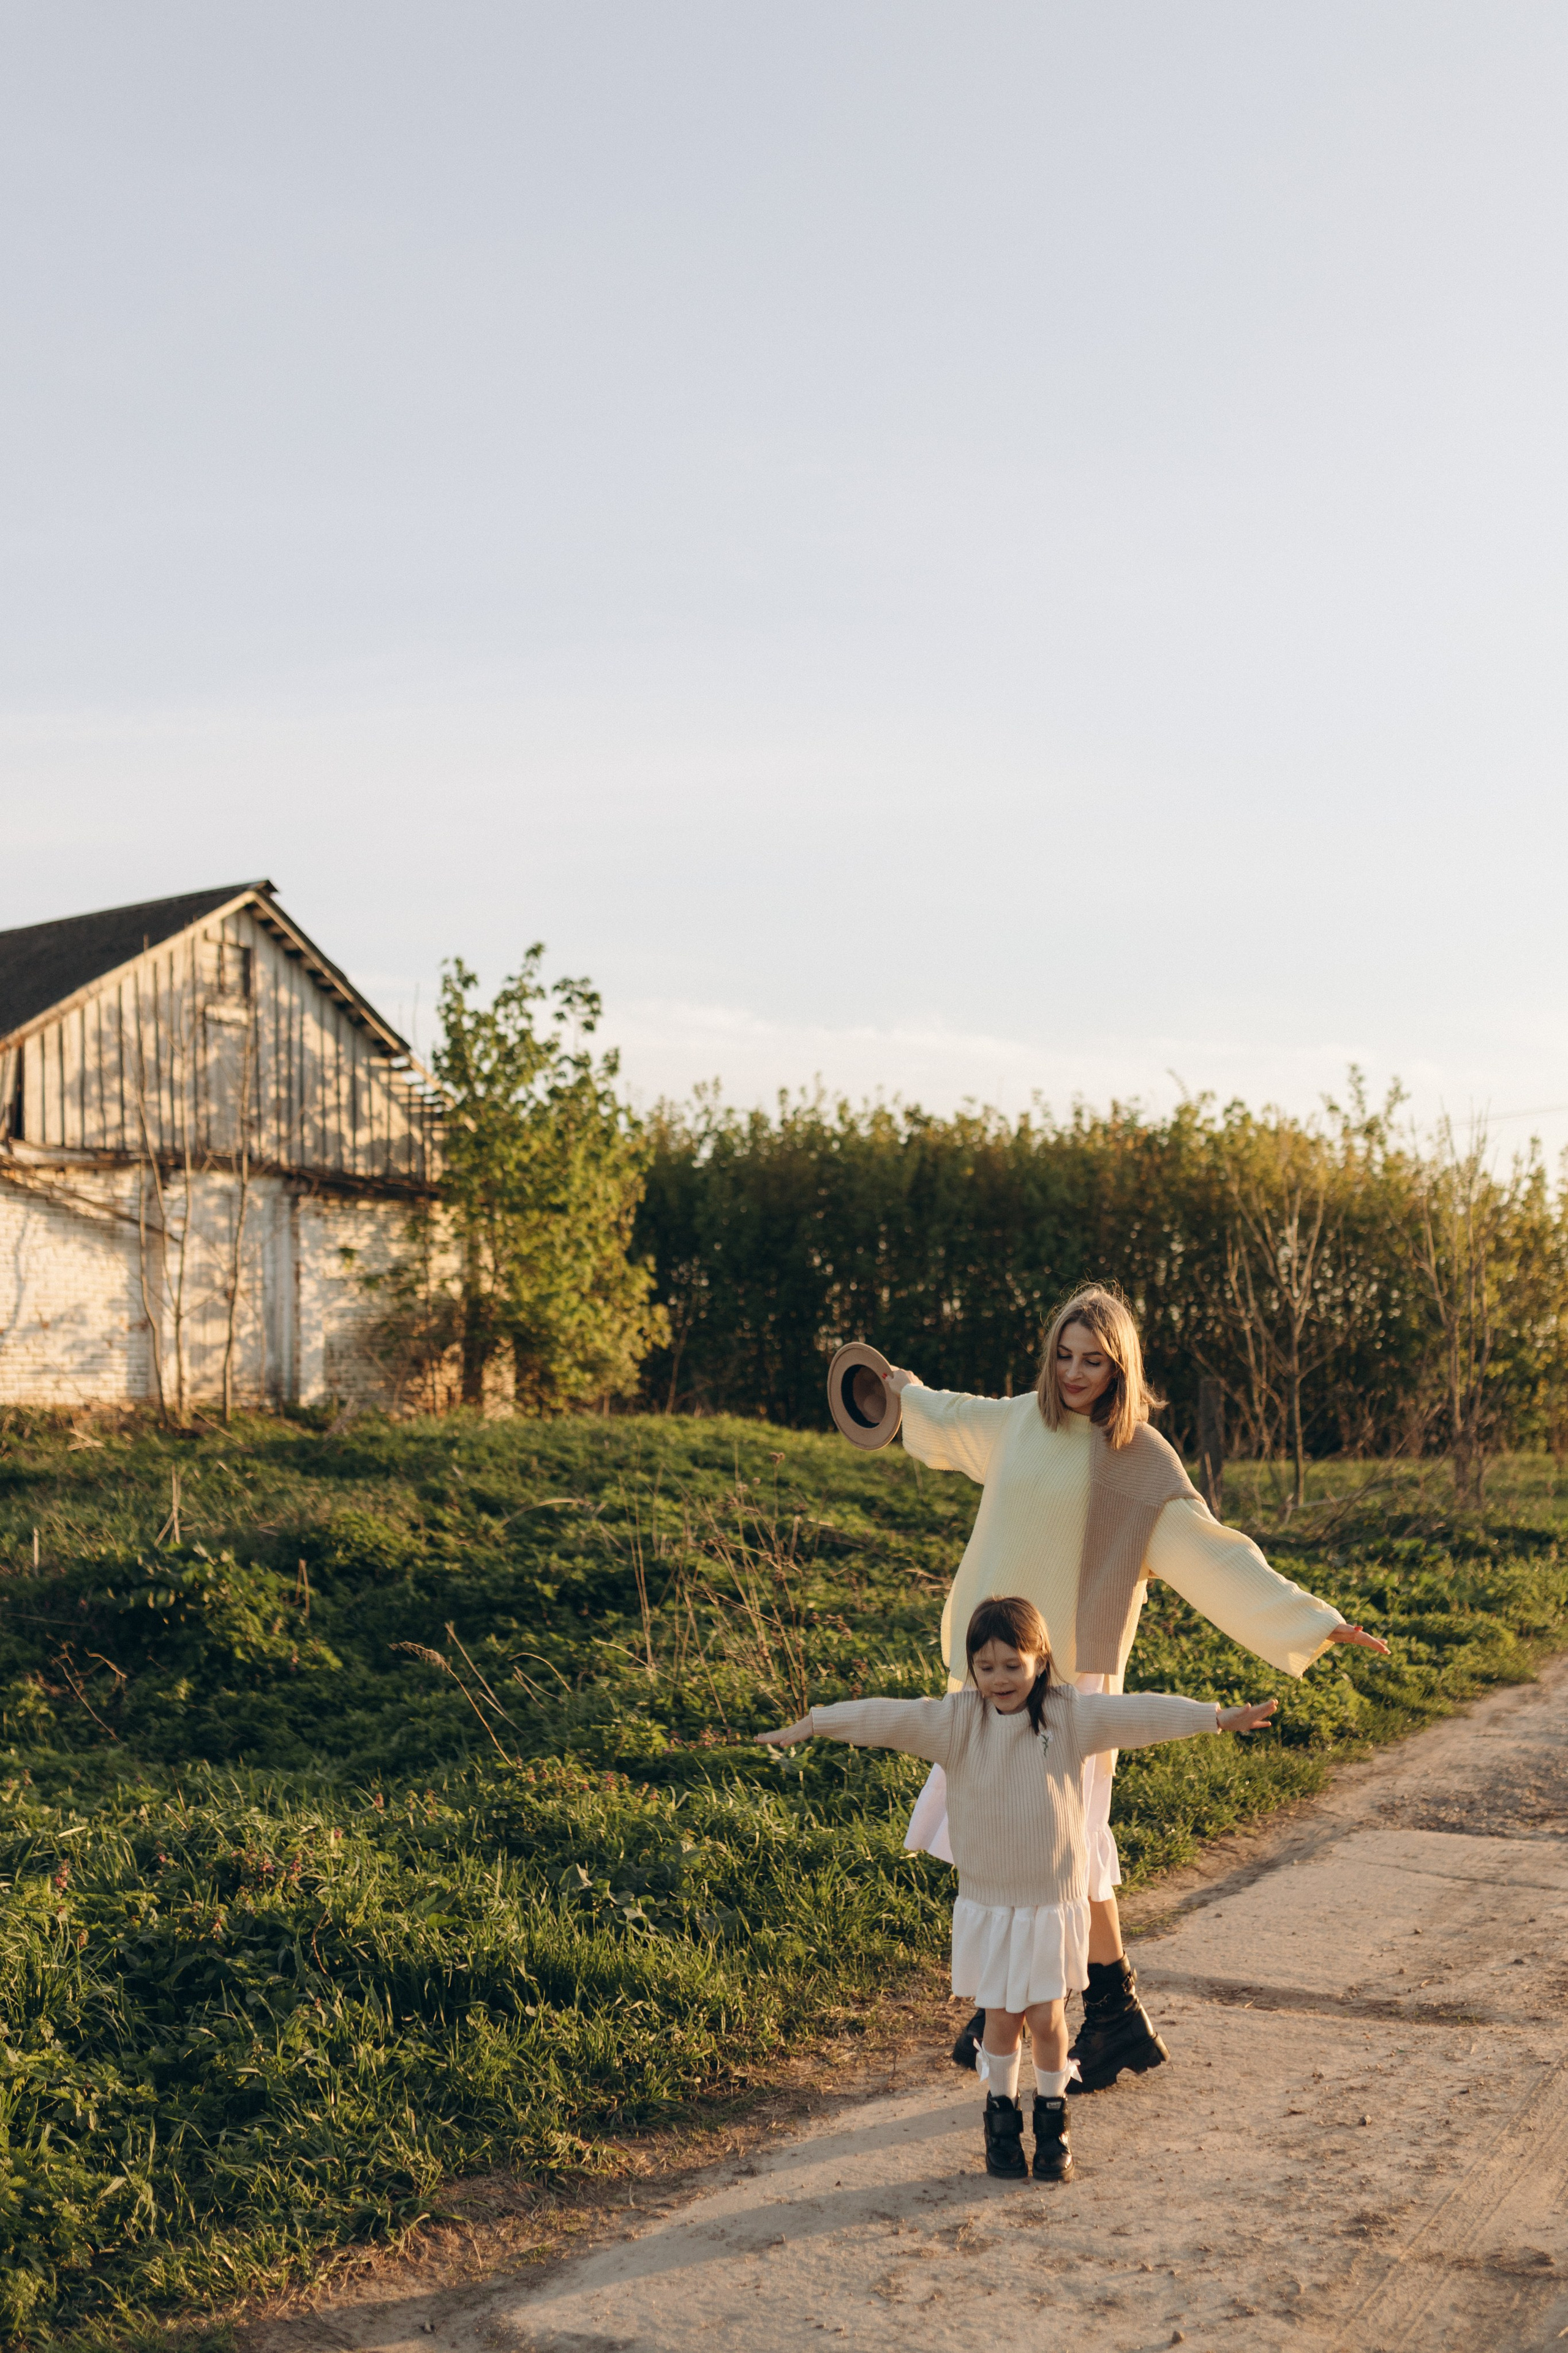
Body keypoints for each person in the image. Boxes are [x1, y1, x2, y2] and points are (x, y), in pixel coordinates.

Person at [878, 1284, 1390, 2091]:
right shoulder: (1020, 1422)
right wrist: (896, 1390)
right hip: (998, 1670)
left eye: (1094, 1360)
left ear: (1121, 1367)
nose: (1074, 1373)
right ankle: (1089, 2010)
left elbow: (1215, 1552)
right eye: (1063, 1355)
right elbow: (944, 1417)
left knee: (1056, 1842)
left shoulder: (1139, 1459)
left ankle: (1069, 2010)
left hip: (1072, 1678)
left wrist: (1314, 1621)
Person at [761, 1593, 1279, 2181]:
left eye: (1013, 1664)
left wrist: (1216, 1717)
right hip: (989, 1905)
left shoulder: (1068, 1714)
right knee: (1001, 2019)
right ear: (972, 1668)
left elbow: (1138, 1715)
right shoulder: (958, 1721)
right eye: (985, 1666)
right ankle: (1001, 2121)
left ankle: (1053, 2124)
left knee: (1049, 2019)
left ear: (1041, 1660)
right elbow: (890, 1717)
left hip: (1051, 1905)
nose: (999, 1678)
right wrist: (818, 1721)